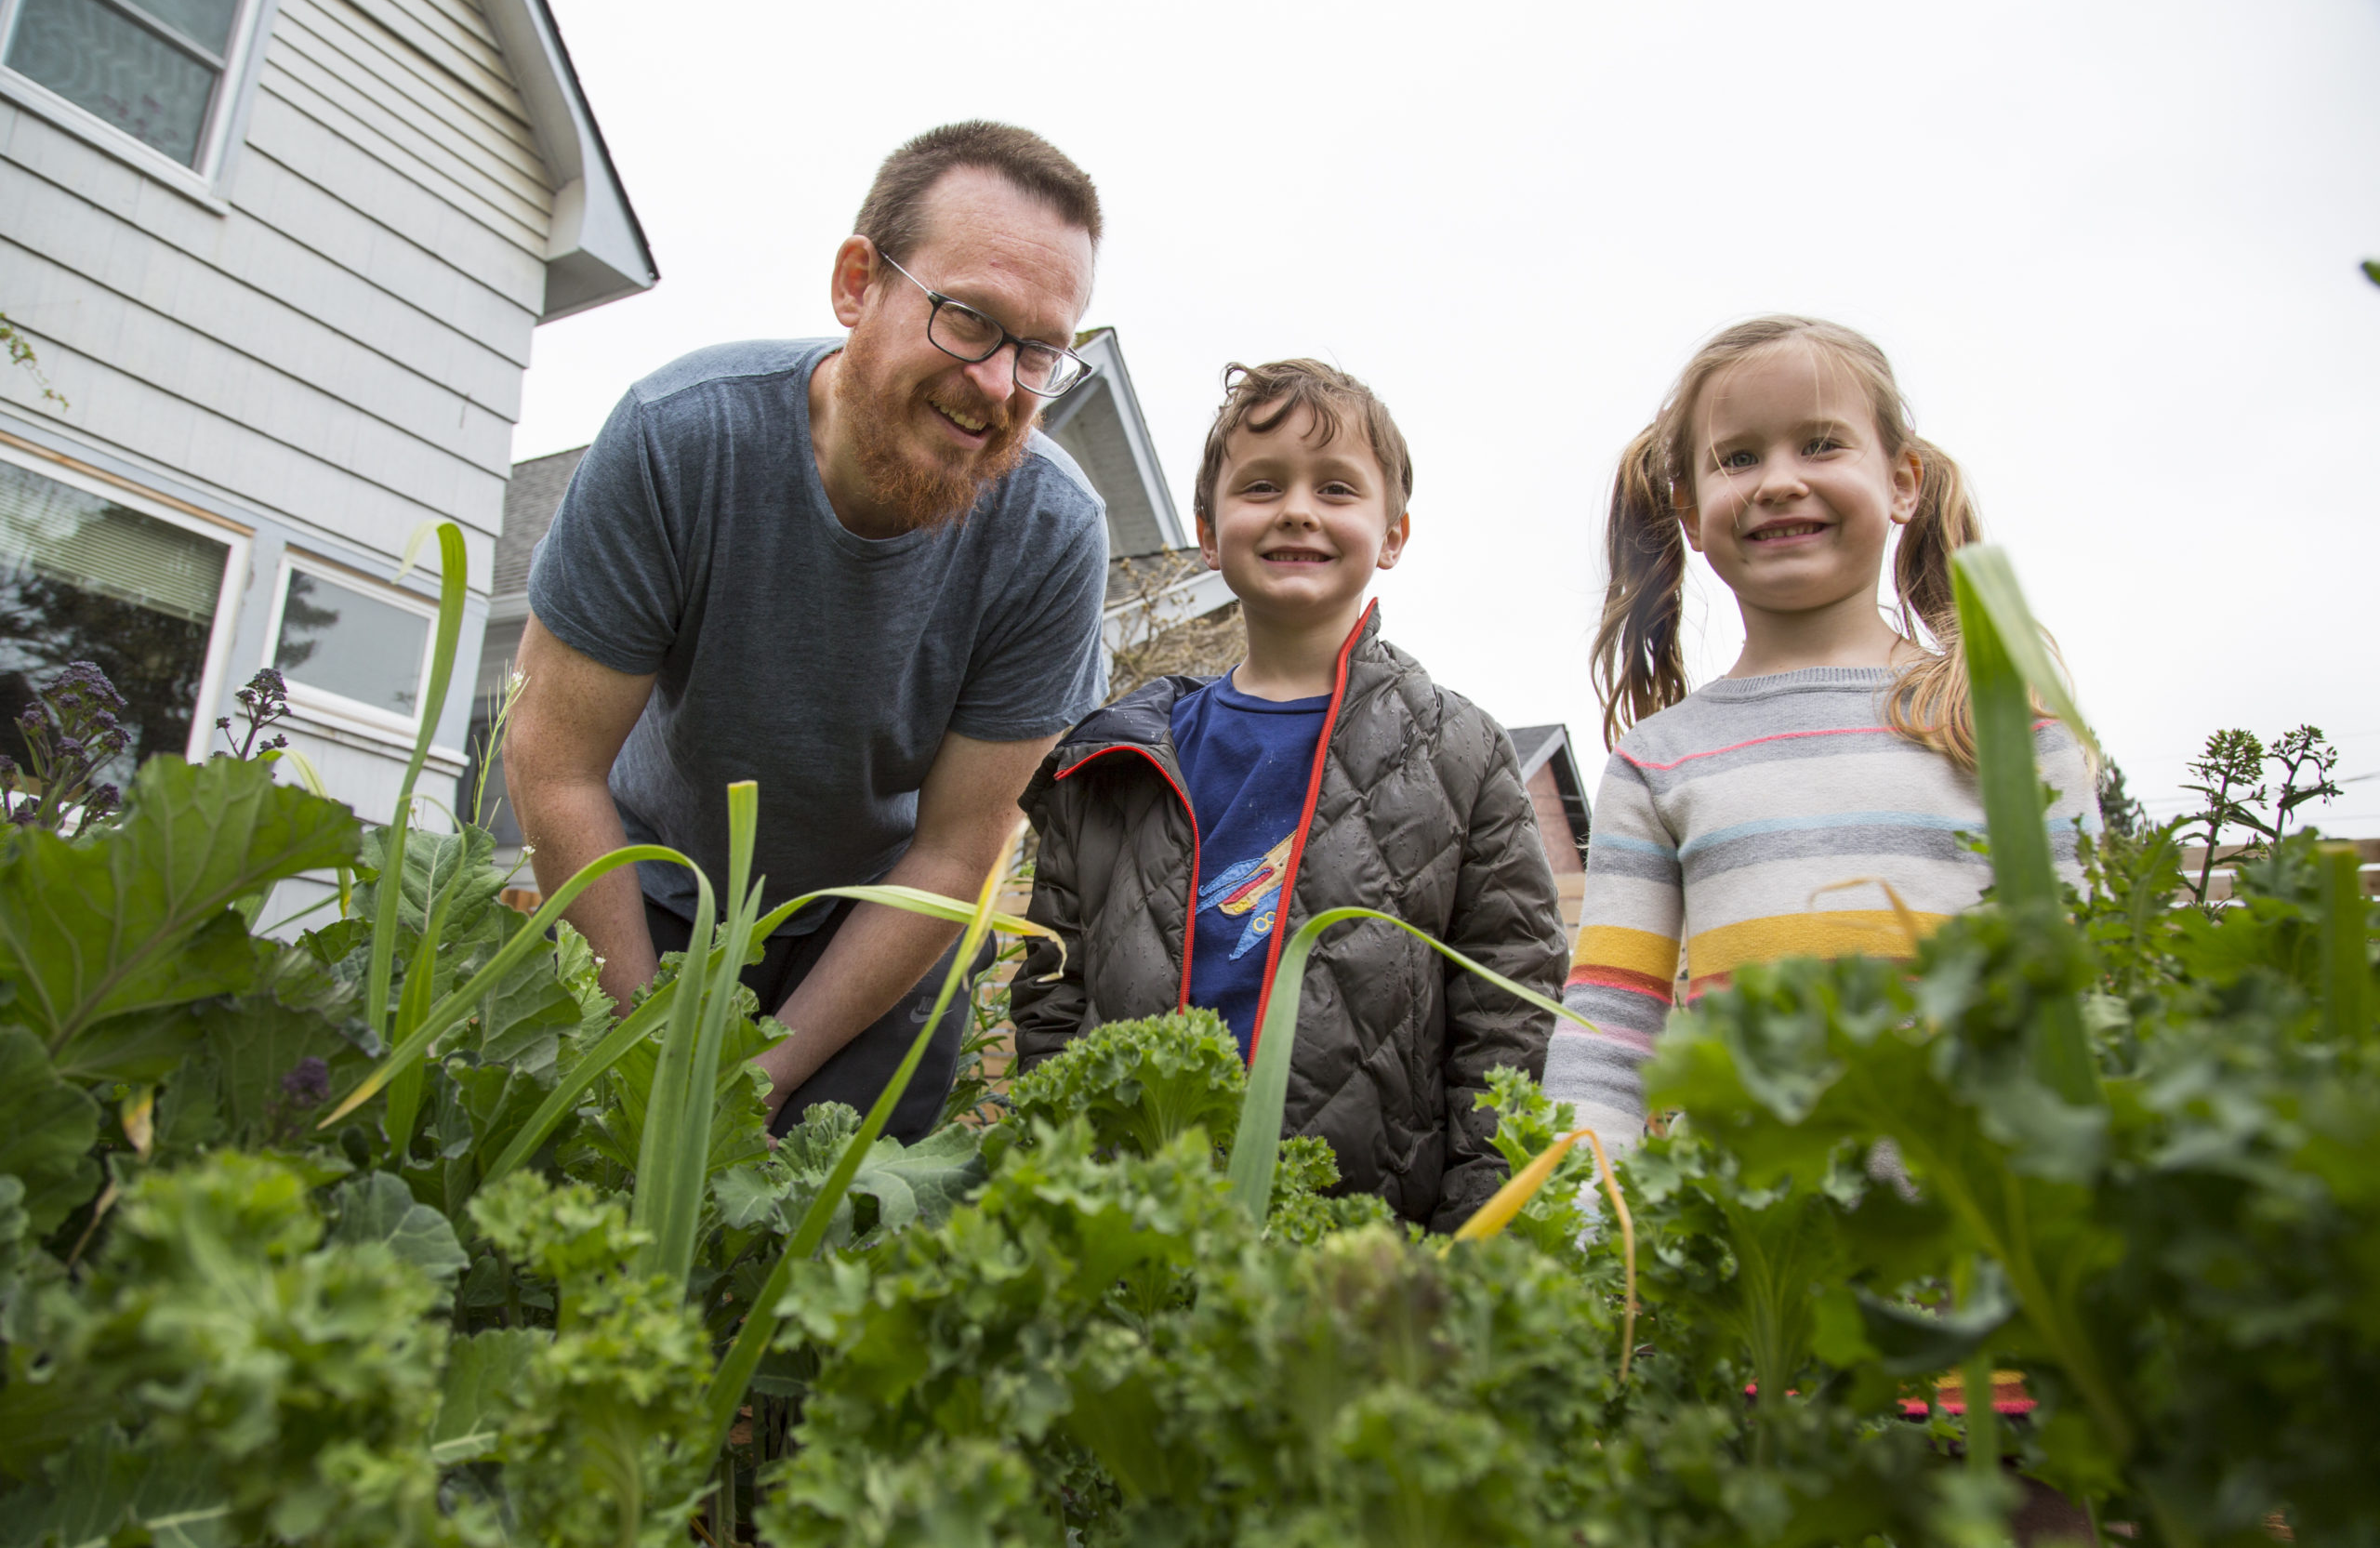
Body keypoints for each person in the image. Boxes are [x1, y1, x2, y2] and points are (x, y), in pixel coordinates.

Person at [506, 122, 1112, 1141]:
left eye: (1040, 349)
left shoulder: (1053, 533)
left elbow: (957, 849)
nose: (999, 384)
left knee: (834, 1216)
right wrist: (648, 1054)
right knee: (601, 1175)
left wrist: (763, 1074)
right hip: (650, 881)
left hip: (881, 922)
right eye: (970, 320)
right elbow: (554, 764)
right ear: (856, 284)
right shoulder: (681, 438)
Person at [1011, 360, 1567, 1231]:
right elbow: (1053, 993)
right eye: (1262, 486)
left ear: (1393, 534)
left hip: (1363, 1235)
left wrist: (1474, 1232)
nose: (1298, 509)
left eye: (1336, 488)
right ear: (1207, 532)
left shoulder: (1462, 753)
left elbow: (1509, 1009)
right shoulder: (1112, 759)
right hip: (1136, 1221)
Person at [1551, 316, 2097, 1156]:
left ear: (1903, 483)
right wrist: (1587, 1209)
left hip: (1985, 1216)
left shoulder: (2003, 730)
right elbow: (1608, 1027)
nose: (1778, 482)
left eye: (1820, 444)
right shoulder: (1658, 762)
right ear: (1690, 513)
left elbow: (2081, 989)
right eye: (1738, 458)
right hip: (1753, 1223)